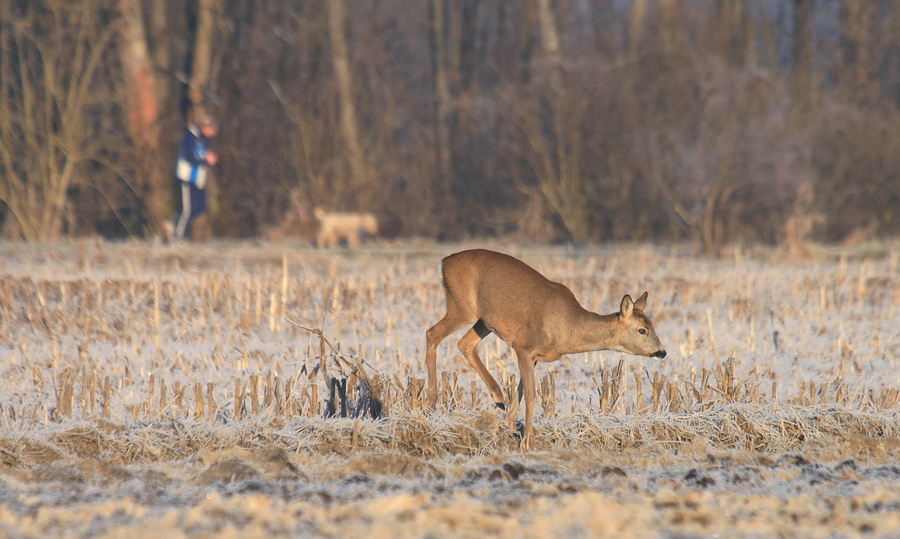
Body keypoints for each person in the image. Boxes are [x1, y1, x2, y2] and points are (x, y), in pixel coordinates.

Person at [173, 114, 217, 240]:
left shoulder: (205, 140)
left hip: (199, 179)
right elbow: (189, 156)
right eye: (212, 129)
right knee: (188, 210)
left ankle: (174, 224)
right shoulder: (190, 136)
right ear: (205, 127)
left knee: (201, 207)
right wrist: (206, 159)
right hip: (187, 178)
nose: (214, 133)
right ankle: (178, 237)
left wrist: (209, 160)